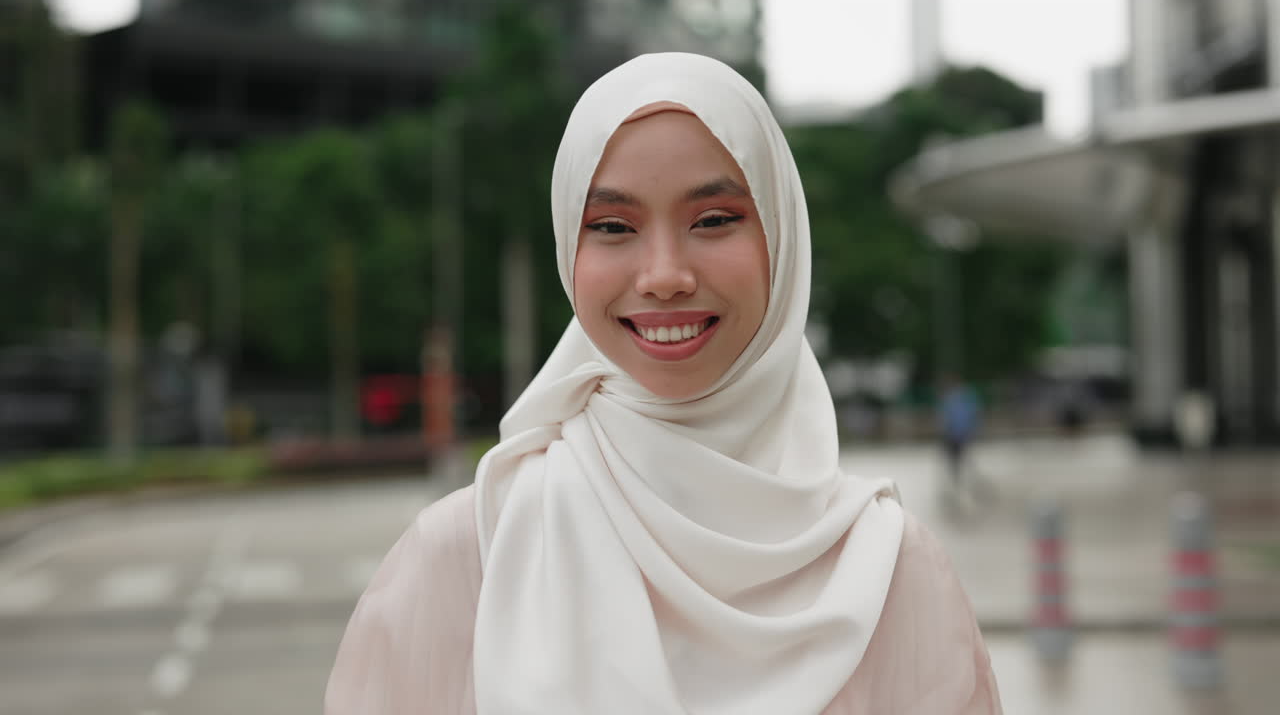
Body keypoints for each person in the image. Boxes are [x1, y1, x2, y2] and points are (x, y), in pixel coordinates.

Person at [325, 53, 1001, 715]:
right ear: (570, 248)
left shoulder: (889, 573)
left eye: (712, 220)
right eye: (613, 227)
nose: (664, 275)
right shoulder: (472, 553)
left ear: (782, 238)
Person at [939, 375, 981, 486]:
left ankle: (958, 481)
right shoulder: (963, 399)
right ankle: (958, 481)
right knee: (958, 459)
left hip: (955, 435)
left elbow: (946, 419)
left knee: (956, 460)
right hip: (957, 435)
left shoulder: (952, 400)